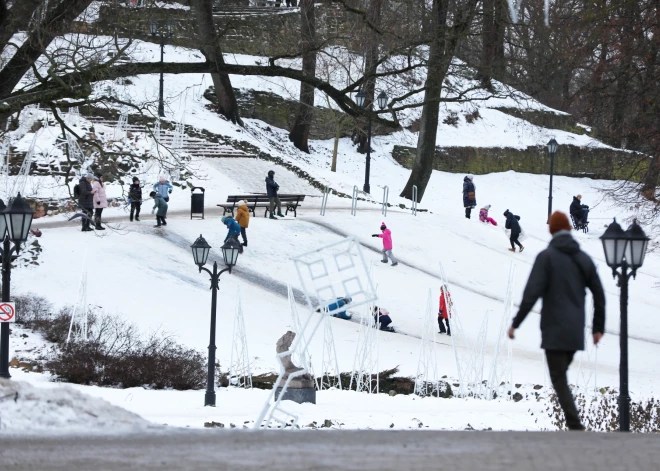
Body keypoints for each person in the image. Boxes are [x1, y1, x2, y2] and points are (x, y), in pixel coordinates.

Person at [508, 211, 605, 431]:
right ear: (569, 229)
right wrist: (598, 328)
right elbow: (599, 294)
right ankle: (574, 423)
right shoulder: (584, 259)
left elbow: (531, 293)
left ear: (552, 230)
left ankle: (574, 424)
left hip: (553, 329)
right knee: (561, 374)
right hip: (575, 331)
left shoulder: (546, 257)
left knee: (558, 377)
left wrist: (516, 323)